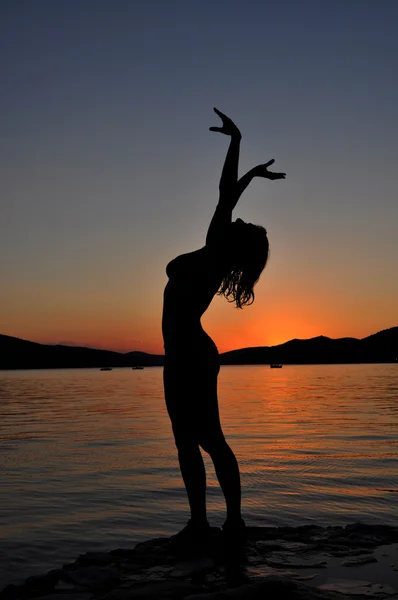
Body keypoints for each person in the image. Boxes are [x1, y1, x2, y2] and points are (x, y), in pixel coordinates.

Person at [162, 108, 285, 544]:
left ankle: (232, 520)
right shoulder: (216, 251)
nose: (235, 218)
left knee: (208, 438)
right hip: (182, 352)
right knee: (186, 440)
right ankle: (201, 523)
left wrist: (237, 142)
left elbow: (224, 195)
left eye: (240, 224)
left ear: (234, 241)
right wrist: (249, 170)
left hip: (191, 353)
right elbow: (228, 196)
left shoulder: (215, 250)